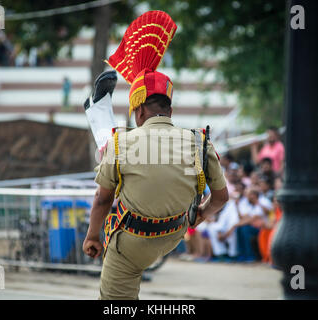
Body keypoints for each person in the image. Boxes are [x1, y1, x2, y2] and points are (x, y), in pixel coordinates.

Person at [81, 11, 228, 300]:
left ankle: (96, 110)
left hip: (132, 241)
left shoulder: (122, 142)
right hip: (173, 235)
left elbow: (102, 198)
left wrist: (92, 236)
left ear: (139, 112)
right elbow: (221, 198)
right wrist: (199, 216)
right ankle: (97, 109)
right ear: (170, 111)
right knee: (111, 147)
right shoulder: (199, 141)